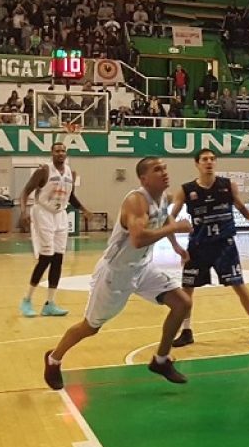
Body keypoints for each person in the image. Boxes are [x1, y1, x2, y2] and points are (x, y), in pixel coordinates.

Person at [43, 157, 194, 390]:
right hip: (116, 274)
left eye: (164, 168)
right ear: (143, 178)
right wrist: (174, 229)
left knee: (183, 303)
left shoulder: (164, 197)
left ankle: (161, 360)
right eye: (157, 170)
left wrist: (175, 245)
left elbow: (164, 218)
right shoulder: (135, 201)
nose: (164, 172)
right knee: (90, 327)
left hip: (143, 268)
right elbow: (138, 239)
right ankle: (54, 359)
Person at [167, 150, 249, 348]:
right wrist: (176, 241)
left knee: (239, 284)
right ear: (196, 164)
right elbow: (170, 217)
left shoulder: (227, 185)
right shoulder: (186, 189)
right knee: (187, 289)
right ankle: (186, 331)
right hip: (198, 246)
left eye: (212, 159)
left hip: (224, 245)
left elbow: (241, 207)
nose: (209, 162)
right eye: (204, 159)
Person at [18, 142, 91, 318]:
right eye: (57, 150)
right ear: (51, 153)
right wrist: (23, 211)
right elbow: (25, 192)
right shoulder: (43, 170)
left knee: (58, 258)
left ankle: (50, 303)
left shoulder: (70, 173)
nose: (60, 153)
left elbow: (71, 196)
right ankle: (27, 299)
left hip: (60, 214)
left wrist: (84, 209)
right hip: (42, 212)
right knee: (46, 257)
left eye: (63, 151)